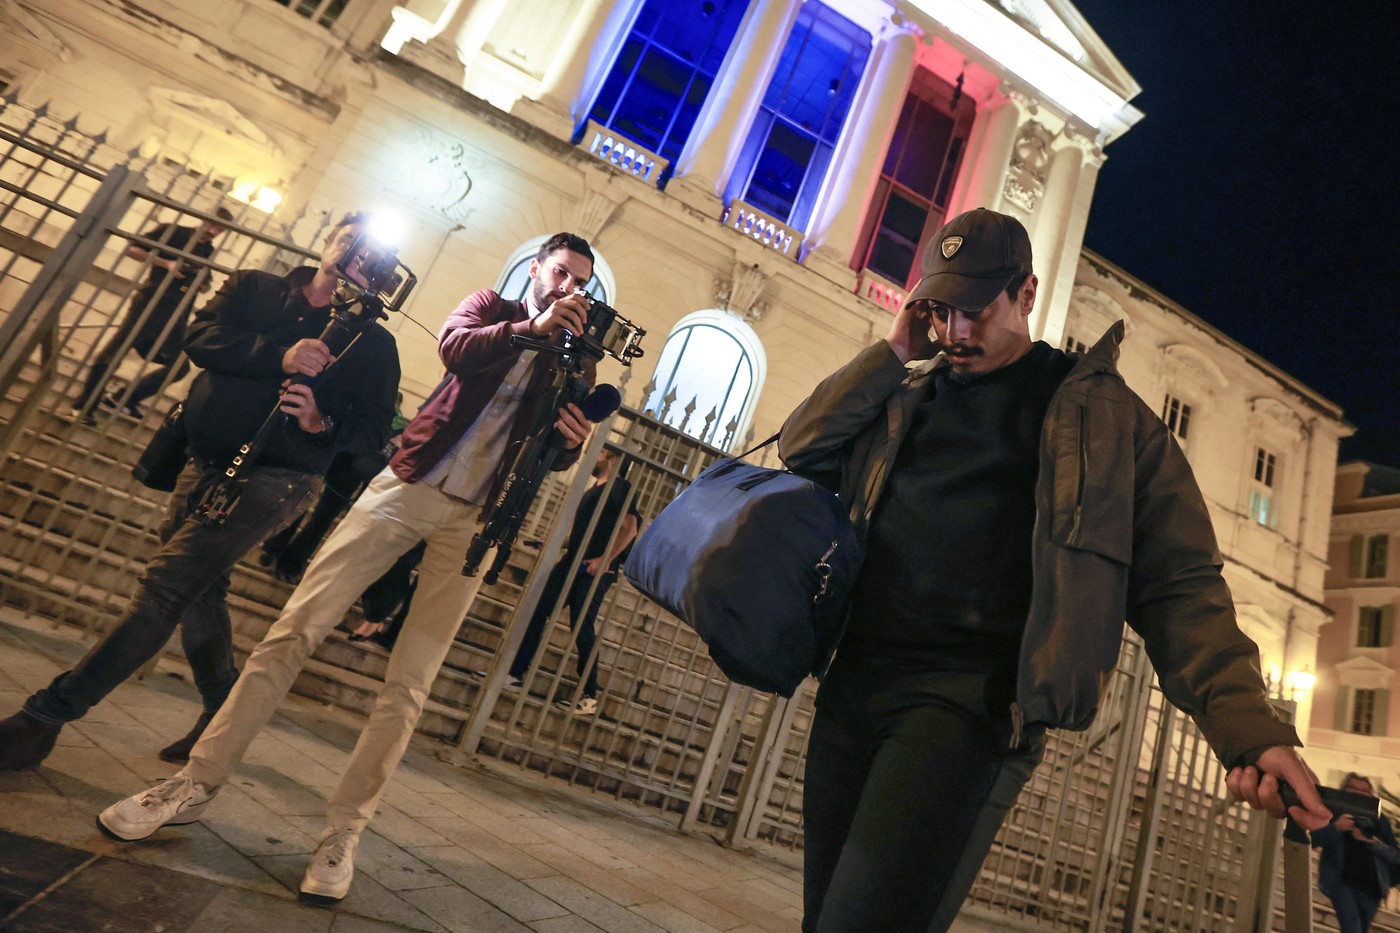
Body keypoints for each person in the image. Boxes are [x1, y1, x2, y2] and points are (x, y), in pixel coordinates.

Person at [776, 207, 1332, 932]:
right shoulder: (908, 390)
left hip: (966, 711)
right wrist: (890, 352)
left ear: (1027, 292)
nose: (959, 331)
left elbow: (1180, 585)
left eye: (976, 309)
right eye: (942, 310)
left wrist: (1250, 728)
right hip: (854, 687)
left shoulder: (1105, 420)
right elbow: (801, 447)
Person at [95, 232, 599, 904]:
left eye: (579, 284)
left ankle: (343, 833)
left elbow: (550, 454)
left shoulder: (575, 359)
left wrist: (569, 442)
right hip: (408, 486)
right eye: (561, 274)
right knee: (294, 628)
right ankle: (195, 781)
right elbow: (455, 349)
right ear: (537, 271)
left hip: (478, 521)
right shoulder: (490, 307)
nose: (569, 291)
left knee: (409, 684)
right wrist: (529, 328)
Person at [0, 211, 400, 770]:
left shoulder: (373, 344)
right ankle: (221, 709)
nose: (355, 253)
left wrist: (320, 423)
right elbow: (201, 337)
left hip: (276, 479)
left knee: (164, 589)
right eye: (347, 240)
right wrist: (278, 356)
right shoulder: (256, 287)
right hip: (202, 461)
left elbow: (374, 432)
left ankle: (45, 717)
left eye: (369, 251)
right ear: (328, 242)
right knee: (201, 591)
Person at [507, 446, 640, 715]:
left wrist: (606, 560)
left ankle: (590, 694)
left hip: (592, 570)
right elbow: (586, 529)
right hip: (572, 563)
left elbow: (631, 527)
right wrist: (555, 541)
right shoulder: (596, 487)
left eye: (601, 451)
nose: (595, 454)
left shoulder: (618, 486)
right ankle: (516, 672)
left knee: (582, 626)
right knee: (538, 610)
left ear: (613, 459)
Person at [74, 207, 235, 419]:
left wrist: (198, 282)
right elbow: (132, 249)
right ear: (204, 218)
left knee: (179, 367)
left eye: (220, 230)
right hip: (151, 299)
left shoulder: (207, 250)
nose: (214, 232)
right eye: (213, 225)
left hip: (177, 310)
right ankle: (85, 405)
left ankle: (123, 398)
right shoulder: (173, 231)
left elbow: (205, 282)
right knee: (117, 350)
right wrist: (167, 263)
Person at [1311, 773, 1400, 932]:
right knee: (1352, 926)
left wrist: (1372, 842)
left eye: (1364, 790)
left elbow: (1395, 855)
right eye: (1353, 788)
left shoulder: (1379, 820)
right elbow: (1312, 839)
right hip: (1341, 881)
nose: (1358, 793)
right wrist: (1336, 828)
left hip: (1372, 887)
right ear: (1343, 790)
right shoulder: (1331, 812)